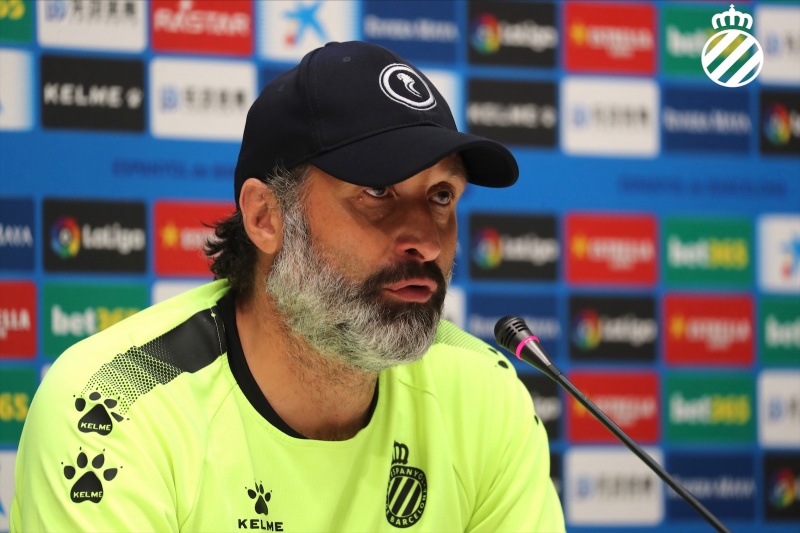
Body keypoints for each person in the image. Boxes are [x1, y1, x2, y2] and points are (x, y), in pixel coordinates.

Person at [11, 41, 564, 532]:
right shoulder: (114, 405)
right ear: (265, 217)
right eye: (377, 191)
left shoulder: (484, 394)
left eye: (442, 196)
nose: (426, 240)